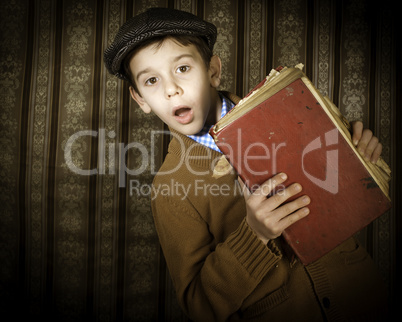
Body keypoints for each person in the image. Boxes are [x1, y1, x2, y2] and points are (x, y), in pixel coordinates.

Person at [104, 7, 388, 321]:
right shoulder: (170, 190)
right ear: (140, 98)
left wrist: (359, 157)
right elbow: (199, 306)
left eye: (183, 68)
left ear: (212, 70)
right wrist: (255, 234)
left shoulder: (287, 107)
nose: (171, 89)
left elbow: (351, 197)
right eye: (152, 80)